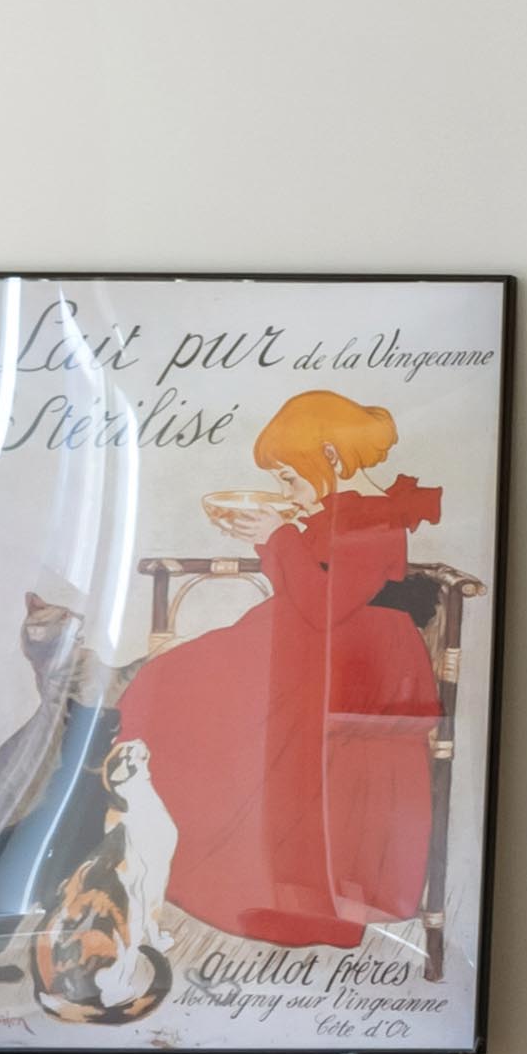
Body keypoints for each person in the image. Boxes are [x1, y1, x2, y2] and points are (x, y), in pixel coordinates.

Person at [111, 387, 465, 957]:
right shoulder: (340, 513)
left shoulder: (376, 521)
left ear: (327, 458)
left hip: (352, 658)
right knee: (180, 682)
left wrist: (273, 537)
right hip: (317, 642)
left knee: (195, 688)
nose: (286, 491)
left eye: (288, 477)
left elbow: (323, 603)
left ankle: (272, 884)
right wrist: (282, 532)